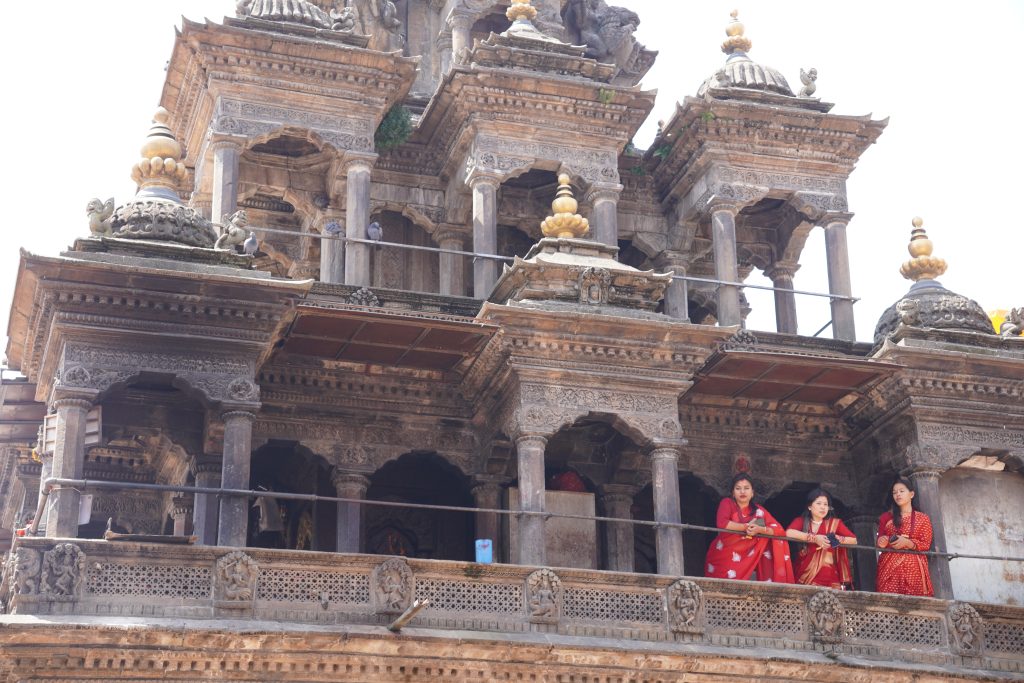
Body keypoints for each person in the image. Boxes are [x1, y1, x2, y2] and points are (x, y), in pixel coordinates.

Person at [705, 473, 795, 583]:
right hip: (725, 554)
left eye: (746, 488)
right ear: (733, 493)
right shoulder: (727, 503)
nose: (742, 492)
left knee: (771, 538)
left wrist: (761, 530)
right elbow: (722, 523)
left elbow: (779, 530)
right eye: (738, 488)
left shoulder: (759, 511)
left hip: (748, 556)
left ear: (752, 493)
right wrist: (745, 527)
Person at [786, 488, 856, 589]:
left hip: (831, 574)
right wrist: (814, 538)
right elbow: (789, 533)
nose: (822, 507)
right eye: (819, 503)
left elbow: (854, 540)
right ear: (809, 506)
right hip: (807, 574)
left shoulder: (835, 524)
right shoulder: (802, 521)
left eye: (825, 504)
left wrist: (838, 538)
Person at [875, 477, 934, 597]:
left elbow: (925, 544)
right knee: (889, 601)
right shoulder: (886, 518)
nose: (898, 495)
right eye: (894, 492)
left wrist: (907, 543)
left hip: (914, 567)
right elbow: (880, 541)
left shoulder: (922, 518)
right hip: (889, 567)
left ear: (911, 494)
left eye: (901, 491)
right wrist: (883, 541)